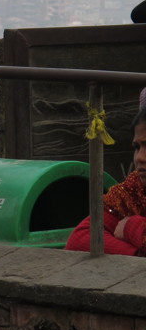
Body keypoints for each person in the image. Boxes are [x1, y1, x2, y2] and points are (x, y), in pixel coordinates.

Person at [65, 107, 146, 255]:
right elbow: (81, 239)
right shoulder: (132, 191)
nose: (140, 157)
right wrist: (137, 255)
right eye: (137, 147)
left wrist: (131, 226)